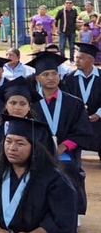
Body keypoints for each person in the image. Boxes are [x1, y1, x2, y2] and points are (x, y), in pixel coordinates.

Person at [28, 51, 95, 214]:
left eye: (54, 74)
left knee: (69, 176)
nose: (51, 78)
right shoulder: (30, 103)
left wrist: (62, 147)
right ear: (37, 78)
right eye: (46, 74)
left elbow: (82, 131)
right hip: (37, 153)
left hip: (67, 154)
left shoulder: (74, 102)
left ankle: (71, 212)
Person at [62, 43, 101, 154]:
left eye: (81, 58)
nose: (77, 61)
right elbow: (65, 98)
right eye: (76, 57)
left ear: (91, 60)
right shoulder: (69, 78)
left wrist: (98, 114)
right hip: (76, 119)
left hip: (97, 119)